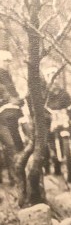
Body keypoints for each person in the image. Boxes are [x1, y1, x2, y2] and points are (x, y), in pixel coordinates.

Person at [0, 50, 23, 183]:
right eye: (5, 61)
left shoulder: (7, 75)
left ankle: (14, 177)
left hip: (6, 115)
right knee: (10, 145)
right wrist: (9, 98)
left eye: (9, 61)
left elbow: (11, 92)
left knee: (12, 144)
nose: (8, 63)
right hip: (3, 114)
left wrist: (17, 99)